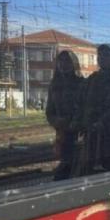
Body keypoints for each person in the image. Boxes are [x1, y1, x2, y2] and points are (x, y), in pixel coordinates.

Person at [71, 44, 110, 174]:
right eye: (100, 55)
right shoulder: (89, 81)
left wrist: (102, 123)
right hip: (91, 137)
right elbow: (79, 104)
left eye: (106, 55)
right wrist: (79, 123)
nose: (102, 58)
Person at [45, 50, 84, 181]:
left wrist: (76, 121)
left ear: (74, 64)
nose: (63, 64)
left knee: (75, 164)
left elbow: (87, 107)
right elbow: (49, 111)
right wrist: (57, 121)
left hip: (80, 132)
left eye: (67, 61)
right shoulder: (54, 85)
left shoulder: (82, 83)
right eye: (60, 61)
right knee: (66, 161)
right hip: (62, 132)